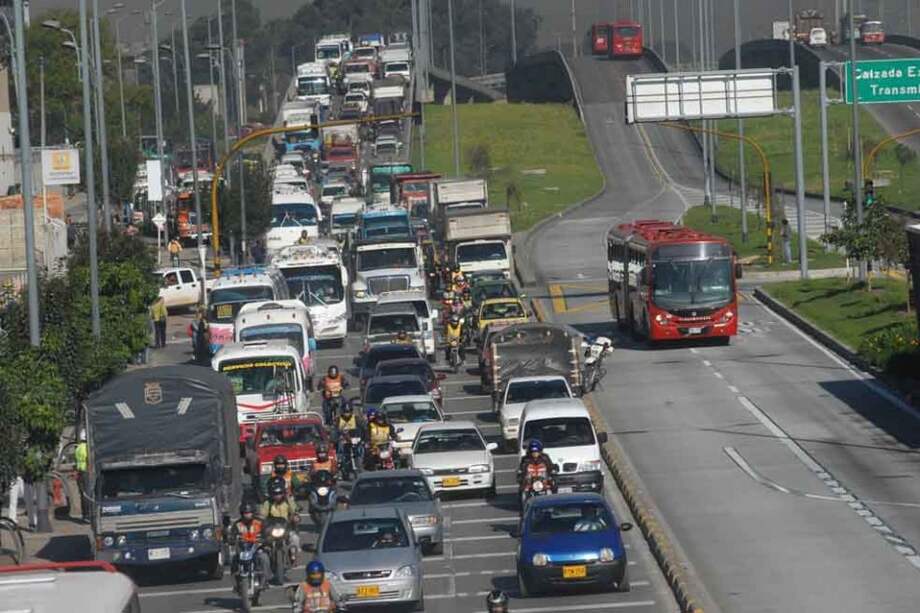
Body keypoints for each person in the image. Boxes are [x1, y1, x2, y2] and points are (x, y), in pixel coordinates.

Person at [258, 477, 301, 572]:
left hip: (286, 528)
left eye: (280, 493)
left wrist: (295, 517)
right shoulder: (267, 503)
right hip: (271, 529)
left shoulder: (288, 501)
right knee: (262, 544)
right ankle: (266, 560)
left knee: (295, 538)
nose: (277, 496)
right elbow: (262, 516)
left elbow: (295, 510)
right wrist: (261, 521)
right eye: (275, 494)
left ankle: (293, 557)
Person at [229, 501, 271, 584]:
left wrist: (265, 539)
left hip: (257, 547)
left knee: (264, 557)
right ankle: (235, 582)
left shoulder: (260, 522)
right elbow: (232, 536)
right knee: (234, 559)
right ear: (241, 513)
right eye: (245, 513)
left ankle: (266, 579)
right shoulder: (237, 524)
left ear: (253, 513)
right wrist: (231, 539)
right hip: (243, 549)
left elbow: (267, 533)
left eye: (249, 513)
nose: (247, 515)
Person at [73, 431, 88, 522]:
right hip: (87, 472)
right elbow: (88, 458)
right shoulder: (87, 447)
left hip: (80, 472)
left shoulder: (78, 448)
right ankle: (89, 515)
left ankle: (84, 515)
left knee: (83, 495)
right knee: (88, 494)